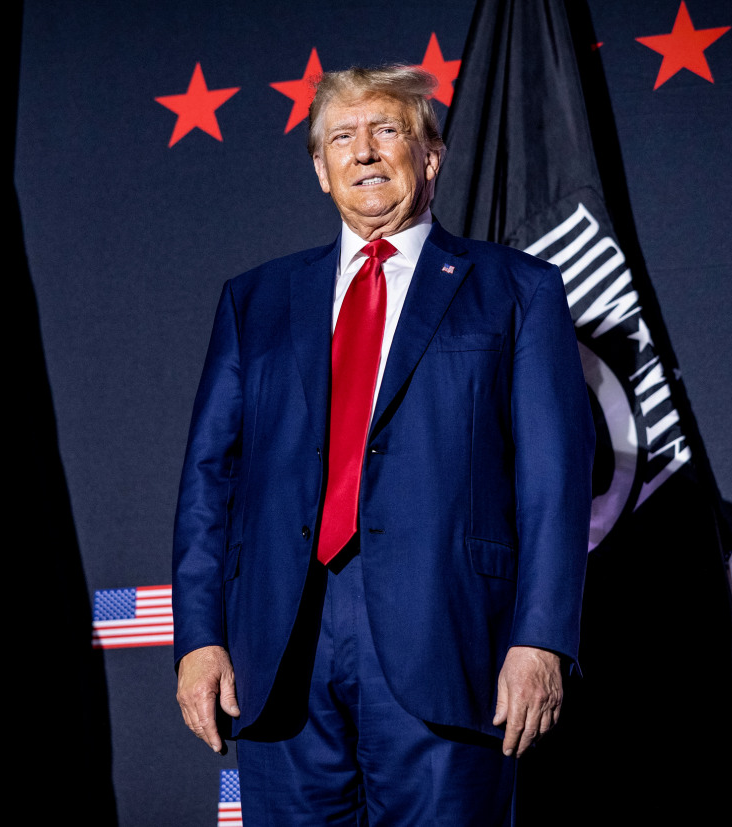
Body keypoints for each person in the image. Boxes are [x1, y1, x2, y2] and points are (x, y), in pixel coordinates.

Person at [172, 65, 594, 825]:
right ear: (319, 169)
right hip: (283, 646)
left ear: (430, 155)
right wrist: (200, 637)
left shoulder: (517, 290)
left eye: (386, 130)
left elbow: (553, 481)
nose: (363, 152)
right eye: (342, 137)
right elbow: (210, 480)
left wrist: (541, 639)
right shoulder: (255, 300)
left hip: (449, 640)